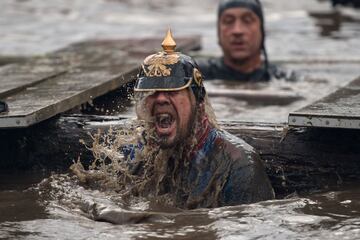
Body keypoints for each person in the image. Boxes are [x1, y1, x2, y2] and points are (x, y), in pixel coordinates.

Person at [119, 29, 275, 209]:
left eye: (173, 90)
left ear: (198, 101)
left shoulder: (238, 166)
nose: (160, 98)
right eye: (152, 92)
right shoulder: (138, 155)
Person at [197, 0, 294, 81]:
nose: (237, 31)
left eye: (247, 20)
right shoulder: (196, 74)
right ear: (218, 33)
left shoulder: (284, 78)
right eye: (228, 21)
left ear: (262, 31)